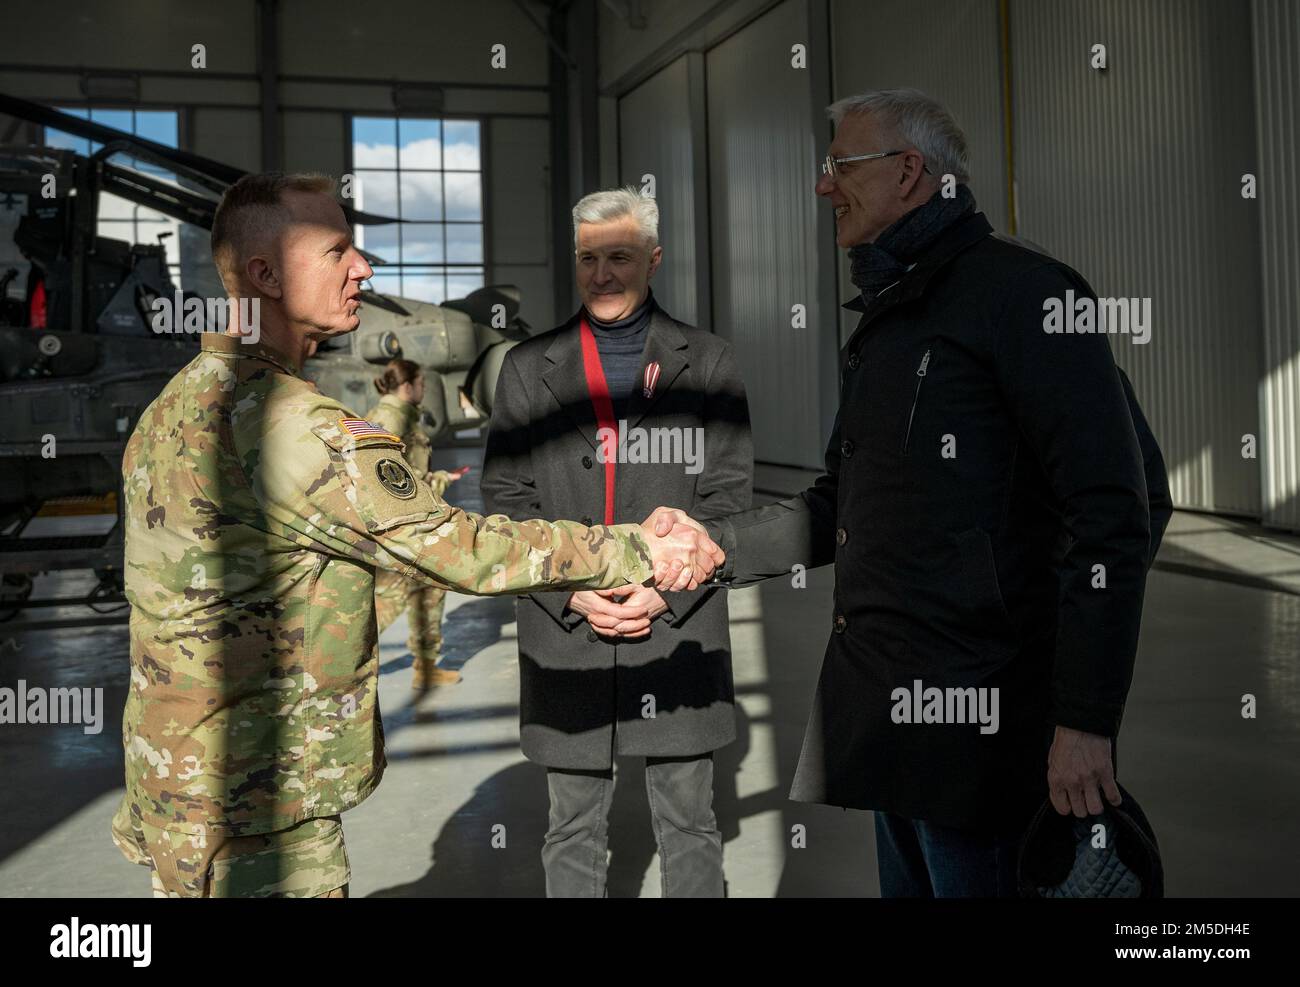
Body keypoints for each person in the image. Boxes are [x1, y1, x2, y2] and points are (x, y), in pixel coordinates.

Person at [110, 171, 722, 898]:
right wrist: (639, 548)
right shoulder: (302, 431)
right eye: (338, 250)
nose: (363, 268)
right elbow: (461, 549)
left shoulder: (171, 407)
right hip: (260, 807)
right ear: (264, 275)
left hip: (178, 785)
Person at [652, 88, 1171, 897]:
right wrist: (712, 545)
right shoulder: (891, 315)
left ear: (909, 172)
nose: (823, 186)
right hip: (894, 728)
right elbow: (841, 504)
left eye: (838, 166)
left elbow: (1119, 507)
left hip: (987, 737)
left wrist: (1084, 720)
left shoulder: (1023, 293)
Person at [482, 187, 753, 898]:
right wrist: (570, 588)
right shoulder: (525, 369)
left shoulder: (711, 361)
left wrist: (663, 597)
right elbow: (506, 505)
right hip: (565, 631)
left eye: (620, 257)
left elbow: (727, 501)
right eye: (588, 258)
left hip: (678, 627)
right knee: (570, 826)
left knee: (691, 822)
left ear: (654, 261)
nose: (602, 274)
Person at [368, 358, 467, 690]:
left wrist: (433, 478)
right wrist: (435, 483)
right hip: (401, 527)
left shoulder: (393, 415)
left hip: (403, 525)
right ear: (407, 386)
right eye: (422, 383)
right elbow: (386, 476)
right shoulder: (391, 419)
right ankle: (334, 665)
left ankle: (424, 667)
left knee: (422, 593)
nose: (426, 389)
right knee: (393, 600)